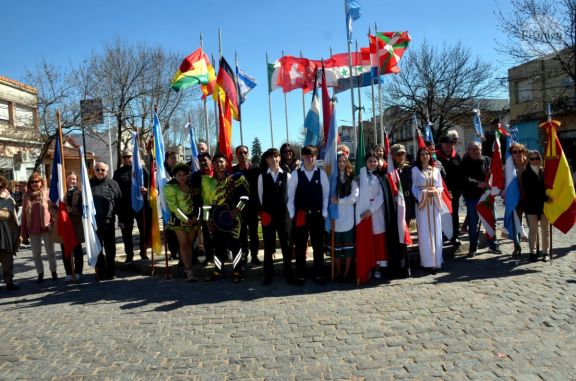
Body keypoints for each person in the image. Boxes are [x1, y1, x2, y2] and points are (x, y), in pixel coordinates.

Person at [202, 154, 250, 283]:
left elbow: (245, 197)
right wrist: (207, 220)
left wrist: (236, 210)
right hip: (216, 219)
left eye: (221, 162)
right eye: (216, 162)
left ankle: (238, 271)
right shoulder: (209, 182)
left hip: (234, 218)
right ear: (213, 164)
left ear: (227, 163)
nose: (219, 164)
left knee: (236, 245)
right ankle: (217, 270)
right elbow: (206, 203)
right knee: (218, 246)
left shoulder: (237, 178)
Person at [287, 145, 329, 285]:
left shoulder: (321, 174)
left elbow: (326, 195)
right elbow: (290, 196)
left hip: (317, 216)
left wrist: (323, 214)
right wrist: (292, 214)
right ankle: (301, 273)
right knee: (300, 245)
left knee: (318, 245)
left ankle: (319, 273)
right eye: (307, 156)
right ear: (302, 157)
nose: (310, 159)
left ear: (315, 157)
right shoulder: (295, 174)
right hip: (301, 215)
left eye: (312, 156)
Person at [258, 148, 292, 285]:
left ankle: (289, 273)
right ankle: (268, 275)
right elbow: (261, 197)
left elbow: (290, 196)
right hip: (268, 216)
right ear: (266, 160)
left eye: (276, 157)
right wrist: (265, 212)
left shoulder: (287, 176)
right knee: (268, 245)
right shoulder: (262, 177)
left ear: (279, 158)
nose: (274, 160)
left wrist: (287, 214)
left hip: (283, 216)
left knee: (286, 245)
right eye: (271, 157)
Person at [460, 142, 501, 256]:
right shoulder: (464, 163)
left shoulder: (487, 160)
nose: (475, 151)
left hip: (487, 196)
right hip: (472, 197)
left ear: (481, 149)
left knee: (491, 220)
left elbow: (495, 173)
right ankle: (473, 248)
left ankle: (493, 246)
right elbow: (464, 179)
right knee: (474, 223)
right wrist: (478, 183)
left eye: (477, 149)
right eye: (472, 149)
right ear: (468, 150)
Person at [112, 149, 150, 263]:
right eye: (124, 157)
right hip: (125, 208)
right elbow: (115, 192)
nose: (127, 159)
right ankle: (129, 255)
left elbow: (150, 188)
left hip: (140, 206)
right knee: (126, 233)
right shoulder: (118, 173)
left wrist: (146, 191)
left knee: (143, 231)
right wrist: (118, 210)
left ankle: (143, 253)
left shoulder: (142, 170)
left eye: (129, 156)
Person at [412, 148, 446, 274]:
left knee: (436, 231)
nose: (425, 156)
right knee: (425, 232)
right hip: (423, 205)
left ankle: (436, 261)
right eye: (422, 154)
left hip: (434, 205)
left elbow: (440, 187)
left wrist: (436, 192)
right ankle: (427, 262)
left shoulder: (436, 170)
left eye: (426, 154)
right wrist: (424, 194)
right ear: (419, 156)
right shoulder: (415, 171)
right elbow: (413, 188)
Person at [165, 163, 200, 282]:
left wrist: (195, 217)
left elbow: (197, 202)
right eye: (179, 175)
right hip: (179, 220)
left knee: (190, 243)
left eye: (184, 175)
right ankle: (188, 269)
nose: (182, 177)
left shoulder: (192, 185)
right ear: (175, 176)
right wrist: (186, 219)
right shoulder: (170, 187)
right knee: (183, 243)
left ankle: (189, 266)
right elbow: (173, 206)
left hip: (193, 219)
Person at [356, 152, 388, 279]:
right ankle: (369, 265)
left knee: (377, 240)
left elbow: (381, 196)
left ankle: (378, 267)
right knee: (367, 240)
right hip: (363, 210)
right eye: (370, 161)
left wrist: (371, 210)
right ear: (366, 162)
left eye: (375, 161)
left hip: (376, 211)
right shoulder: (360, 177)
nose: (372, 163)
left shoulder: (381, 177)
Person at [21, 172, 57, 283]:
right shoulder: (26, 196)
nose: (34, 184)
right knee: (36, 253)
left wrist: (54, 222)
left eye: (37, 181)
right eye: (32, 182)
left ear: (41, 182)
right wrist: (23, 231)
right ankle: (40, 273)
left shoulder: (47, 193)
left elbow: (53, 209)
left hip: (46, 227)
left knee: (50, 251)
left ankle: (53, 272)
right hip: (32, 229)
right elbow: (23, 214)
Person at [329, 154, 358, 281]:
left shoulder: (352, 178)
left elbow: (354, 197)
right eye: (339, 161)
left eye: (344, 161)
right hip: (335, 216)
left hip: (348, 216)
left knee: (348, 248)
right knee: (336, 248)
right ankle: (338, 271)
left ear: (347, 162)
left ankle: (346, 272)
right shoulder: (332, 178)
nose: (341, 163)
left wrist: (339, 201)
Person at [50, 172, 84, 282]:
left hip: (75, 225)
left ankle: (78, 272)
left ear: (77, 180)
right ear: (65, 179)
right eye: (70, 179)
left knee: (77, 250)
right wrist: (61, 214)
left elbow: (83, 209)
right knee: (66, 250)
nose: (72, 181)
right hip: (63, 224)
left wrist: (72, 210)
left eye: (74, 179)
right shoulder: (59, 193)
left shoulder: (80, 193)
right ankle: (69, 272)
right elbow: (51, 208)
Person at [91, 162, 122, 280]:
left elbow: (119, 202)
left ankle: (111, 271)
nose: (100, 172)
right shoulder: (89, 184)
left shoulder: (113, 184)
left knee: (110, 249)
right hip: (94, 223)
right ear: (94, 171)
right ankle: (100, 271)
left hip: (108, 222)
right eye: (97, 170)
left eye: (102, 170)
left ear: (107, 171)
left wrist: (121, 219)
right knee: (97, 249)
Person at [232, 145, 261, 265]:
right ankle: (244, 254)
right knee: (242, 233)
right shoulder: (233, 172)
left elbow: (260, 189)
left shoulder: (256, 169)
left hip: (253, 206)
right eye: (240, 153)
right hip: (240, 207)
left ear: (248, 154)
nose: (243, 155)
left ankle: (254, 256)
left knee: (254, 233)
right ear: (236, 155)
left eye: (245, 152)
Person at [521, 151, 551, 262]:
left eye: (537, 158)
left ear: (540, 158)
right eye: (532, 158)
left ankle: (545, 252)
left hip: (545, 206)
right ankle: (532, 253)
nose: (535, 160)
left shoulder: (545, 172)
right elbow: (530, 191)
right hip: (531, 205)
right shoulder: (525, 174)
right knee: (533, 230)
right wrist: (545, 198)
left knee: (545, 230)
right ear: (528, 160)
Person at [436, 131, 462, 245]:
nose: (448, 146)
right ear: (441, 145)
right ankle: (444, 234)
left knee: (454, 213)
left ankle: (454, 235)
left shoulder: (456, 156)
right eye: (446, 144)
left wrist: (460, 189)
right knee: (443, 213)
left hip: (455, 190)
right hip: (442, 190)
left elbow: (461, 172)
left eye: (451, 143)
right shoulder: (436, 157)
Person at [191, 152, 214, 265]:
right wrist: (197, 213)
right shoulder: (195, 177)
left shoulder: (218, 173)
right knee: (207, 234)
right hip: (204, 210)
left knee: (221, 233)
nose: (203, 163)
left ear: (211, 160)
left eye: (205, 160)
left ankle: (223, 255)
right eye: (200, 161)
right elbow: (195, 196)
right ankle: (209, 257)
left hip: (219, 208)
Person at [0, 176, 20, 290]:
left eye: (1, 186)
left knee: (7, 260)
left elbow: (7, 215)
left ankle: (9, 282)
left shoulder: (9, 200)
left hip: (5, 235)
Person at [510, 142, 527, 256]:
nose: (517, 154)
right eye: (514, 152)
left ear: (523, 152)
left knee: (532, 224)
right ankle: (517, 246)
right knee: (516, 224)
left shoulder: (530, 162)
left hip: (529, 199)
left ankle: (534, 248)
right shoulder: (508, 166)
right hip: (516, 200)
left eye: (519, 151)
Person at [391, 144, 415, 223]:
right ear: (393, 156)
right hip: (397, 201)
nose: (401, 156)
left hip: (408, 200)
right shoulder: (391, 170)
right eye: (398, 154)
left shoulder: (409, 168)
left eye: (403, 153)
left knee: (407, 224)